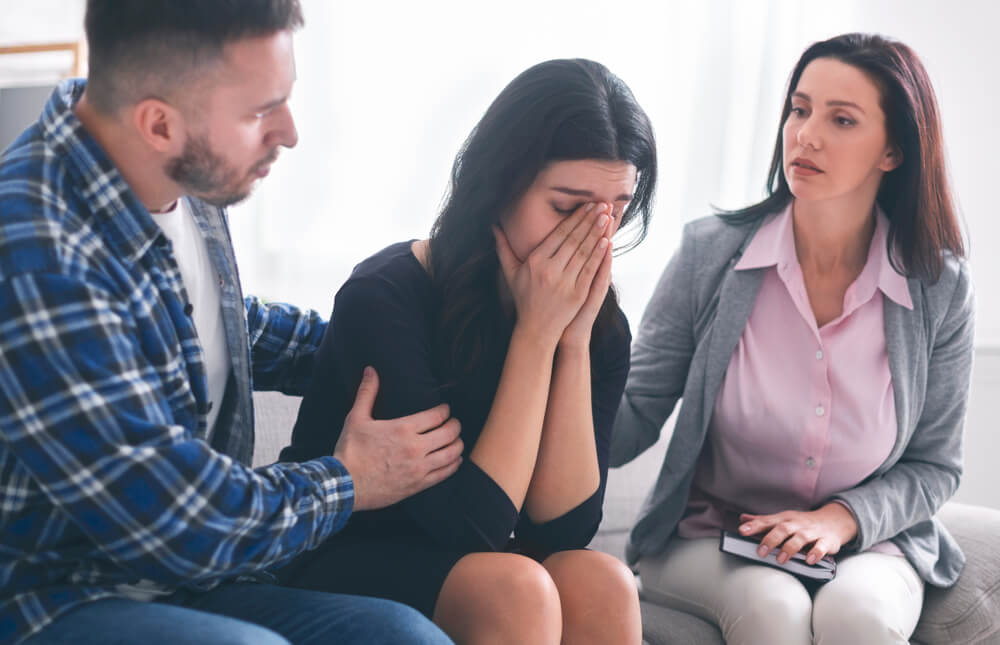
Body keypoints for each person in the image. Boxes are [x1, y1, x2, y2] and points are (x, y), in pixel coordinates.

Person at [0, 2, 462, 644]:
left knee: (404, 638)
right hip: (56, 595)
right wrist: (349, 480)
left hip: (189, 584)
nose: (291, 131)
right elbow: (176, 521)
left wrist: (383, 341)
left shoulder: (176, 172)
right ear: (158, 123)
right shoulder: (34, 252)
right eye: (258, 112)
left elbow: (209, 325)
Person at [276, 58, 656, 645]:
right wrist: (534, 336)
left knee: (602, 579)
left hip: (480, 562)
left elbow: (565, 530)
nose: (593, 237)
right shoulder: (386, 296)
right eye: (565, 207)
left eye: (616, 209)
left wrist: (571, 342)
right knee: (515, 587)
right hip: (345, 551)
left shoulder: (601, 327)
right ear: (500, 187)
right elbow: (469, 526)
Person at [610, 33, 973, 645]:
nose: (806, 134)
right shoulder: (710, 254)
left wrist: (841, 520)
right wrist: (558, 344)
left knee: (858, 617)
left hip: (865, 543)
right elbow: (634, 414)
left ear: (893, 151)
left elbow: (935, 466)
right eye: (800, 110)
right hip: (710, 534)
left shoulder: (938, 287)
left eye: (842, 119)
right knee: (772, 607)